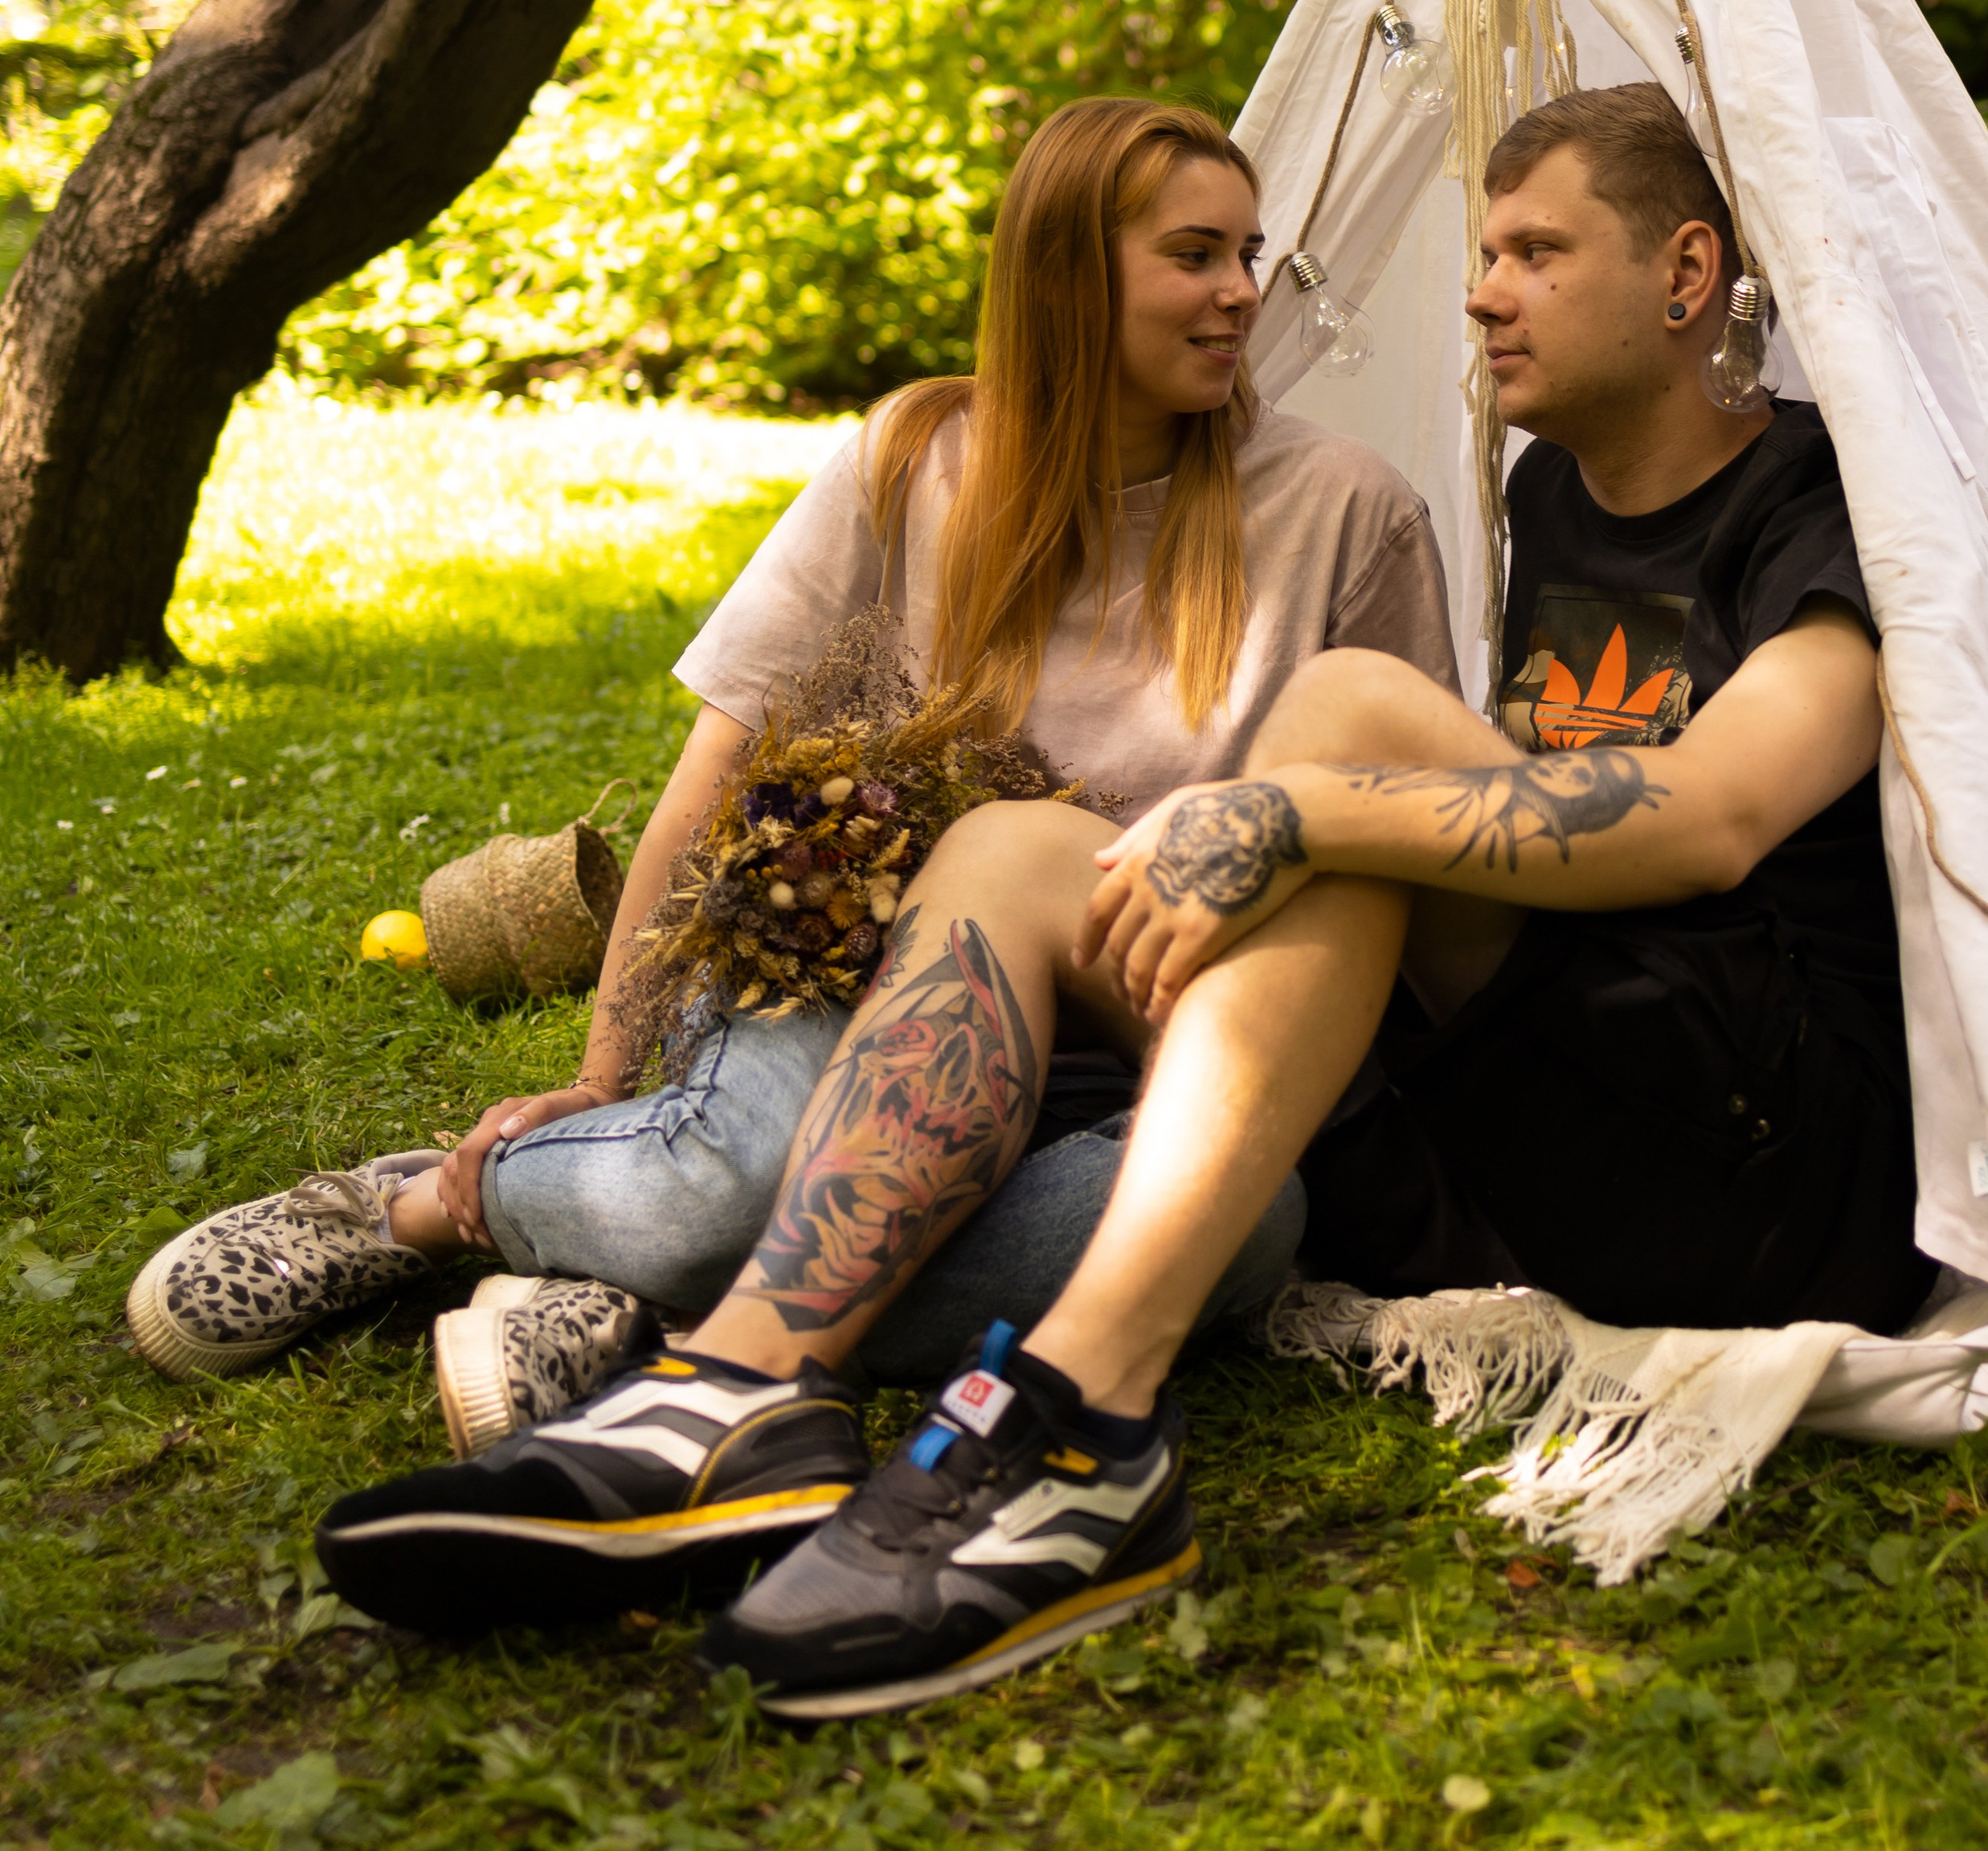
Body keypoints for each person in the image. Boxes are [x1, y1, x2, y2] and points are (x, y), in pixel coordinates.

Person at [316, 83, 1927, 1714]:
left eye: (1530, 250)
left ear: (1681, 275)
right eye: (1482, 249)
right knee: (1025, 844)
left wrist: (1286, 808)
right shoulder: (1550, 502)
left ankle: (1082, 1415)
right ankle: (742, 1382)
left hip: (1768, 1158)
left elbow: (1713, 818)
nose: (1476, 289)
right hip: (1541, 1122)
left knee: (1351, 714)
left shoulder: (1828, 503)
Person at [128, 96, 1455, 1451]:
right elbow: (720, 765)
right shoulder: (912, 461)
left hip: (1127, 1054)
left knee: (1240, 1237)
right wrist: (605, 1070)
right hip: (837, 975)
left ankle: (647, 1327)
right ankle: (408, 1209)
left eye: (1251, 252)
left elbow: (1387, 849)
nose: (1242, 293)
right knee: (739, 1176)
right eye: (1195, 255)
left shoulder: (1348, 513)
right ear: (1066, 271)